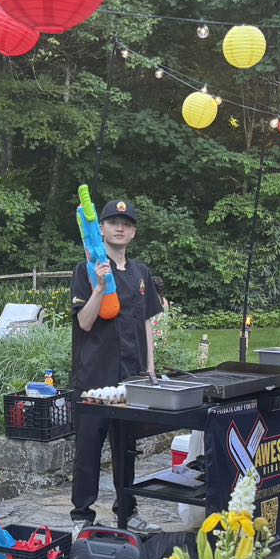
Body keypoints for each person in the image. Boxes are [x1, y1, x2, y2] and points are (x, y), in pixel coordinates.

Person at [70, 197, 163, 531]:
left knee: (126, 449)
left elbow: (147, 321)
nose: (120, 227)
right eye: (112, 222)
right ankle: (82, 517)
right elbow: (84, 322)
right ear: (102, 229)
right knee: (88, 452)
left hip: (131, 378)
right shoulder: (86, 270)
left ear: (133, 233)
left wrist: (150, 367)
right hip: (94, 376)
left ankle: (127, 511)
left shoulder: (141, 273)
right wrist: (98, 288)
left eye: (126, 224)